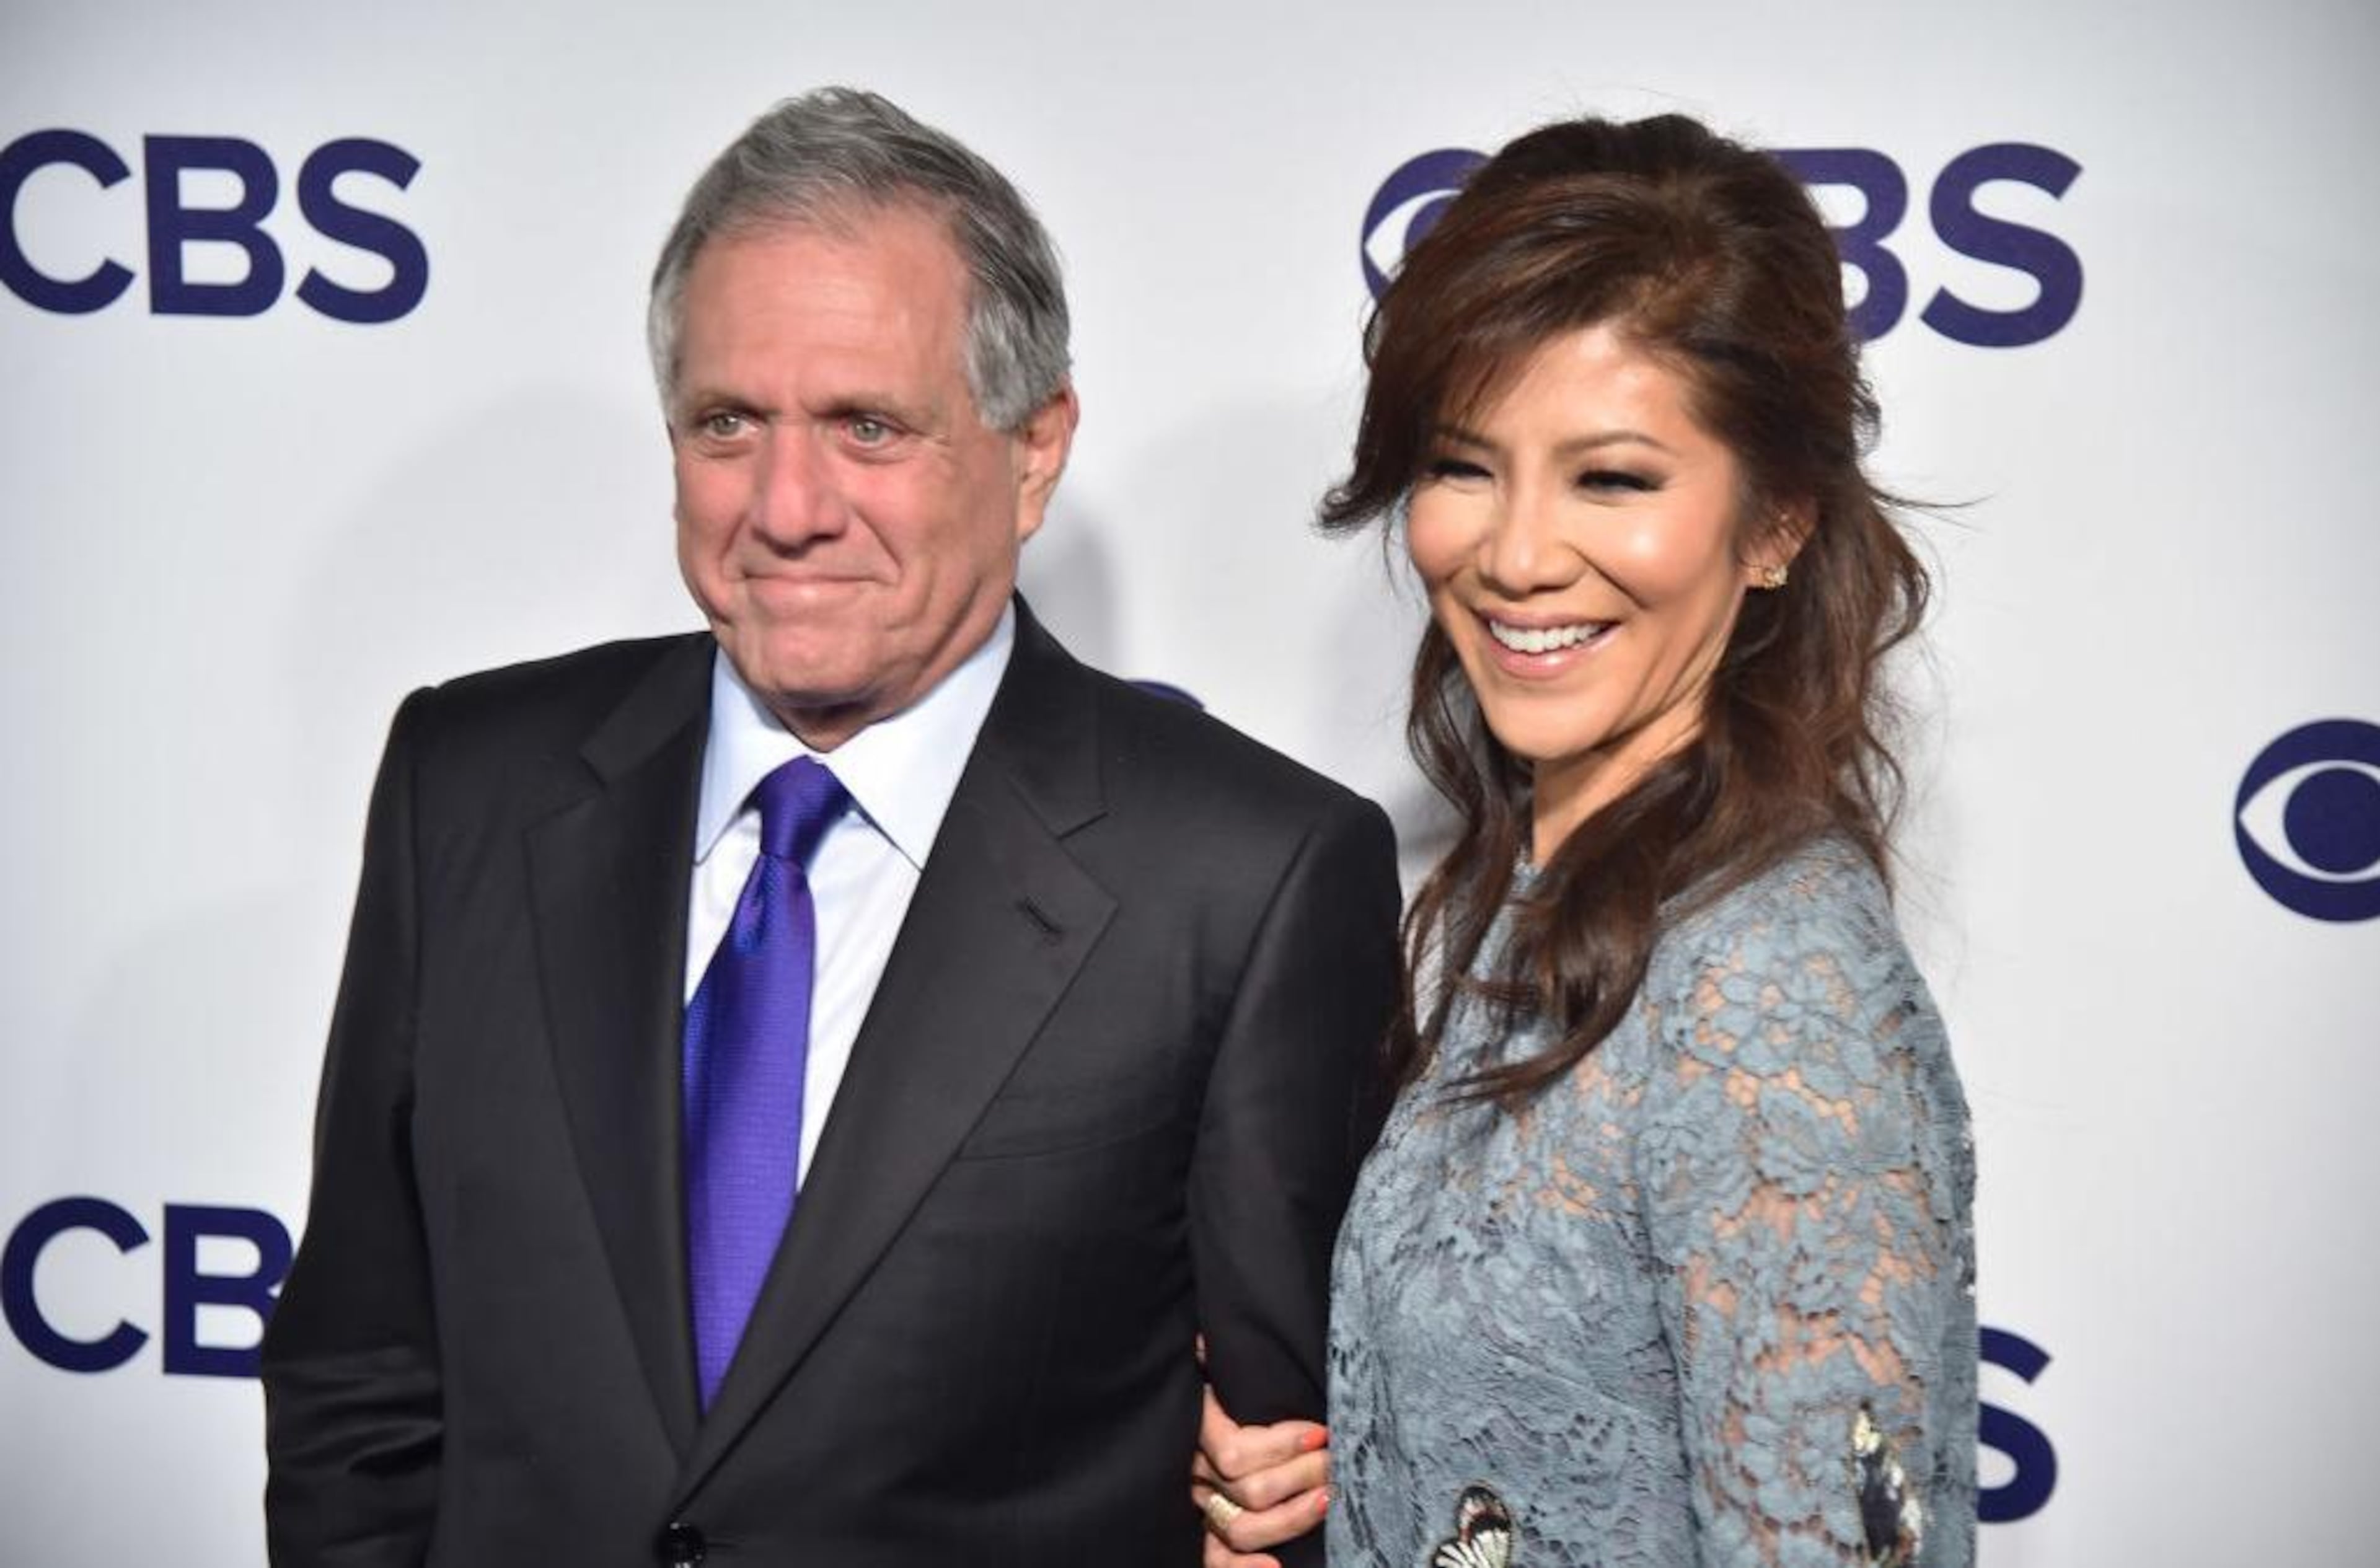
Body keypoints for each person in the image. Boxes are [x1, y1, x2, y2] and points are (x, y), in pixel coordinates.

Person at [260, 87, 1399, 1568]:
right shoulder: (465, 781)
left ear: (1034, 449)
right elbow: (362, 1362)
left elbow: (1285, 1470)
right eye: (729, 422)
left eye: (870, 426)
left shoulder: (1246, 875)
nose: (787, 506)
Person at [1193, 112, 1976, 1567]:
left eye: (1613, 478)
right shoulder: (1537, 899)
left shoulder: (1770, 989)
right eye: (1465, 464)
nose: (1517, 552)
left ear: (1777, 523)